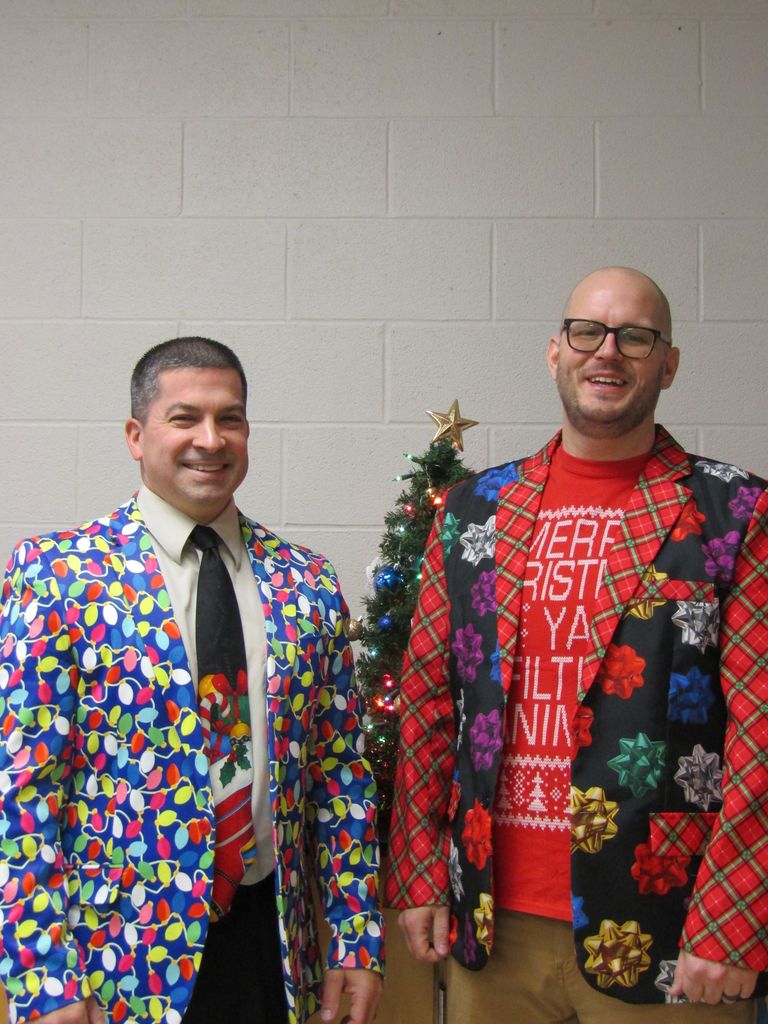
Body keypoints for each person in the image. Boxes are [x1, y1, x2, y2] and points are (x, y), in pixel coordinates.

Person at [384, 267, 768, 1021]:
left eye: (636, 336)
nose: (609, 352)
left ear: (669, 362)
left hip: (670, 928)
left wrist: (732, 915)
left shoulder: (736, 513)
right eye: (588, 332)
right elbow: (429, 700)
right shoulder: (473, 511)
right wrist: (420, 872)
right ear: (555, 351)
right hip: (492, 924)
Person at [0, 338, 384, 1024]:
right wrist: (45, 981)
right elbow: (21, 793)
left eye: (229, 419)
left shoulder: (305, 583)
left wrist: (356, 940)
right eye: (185, 418)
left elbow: (341, 776)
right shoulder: (59, 576)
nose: (211, 439)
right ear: (135, 435)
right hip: (114, 959)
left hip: (271, 945)